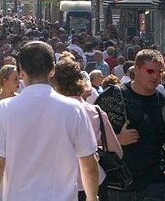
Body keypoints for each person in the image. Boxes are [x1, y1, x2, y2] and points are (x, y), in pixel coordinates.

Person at [0, 41, 99, 201]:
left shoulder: (3, 109)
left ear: (21, 71)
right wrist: (92, 197)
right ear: (52, 70)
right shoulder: (74, 109)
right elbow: (88, 164)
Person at [96, 49, 165, 200]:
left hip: (153, 183)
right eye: (150, 71)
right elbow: (88, 136)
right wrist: (117, 139)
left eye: (160, 72)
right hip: (117, 184)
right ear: (136, 69)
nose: (156, 76)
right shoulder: (111, 98)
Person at [52, 57, 122, 201]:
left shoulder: (48, 112)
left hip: (58, 185)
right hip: (94, 183)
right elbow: (117, 152)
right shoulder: (94, 111)